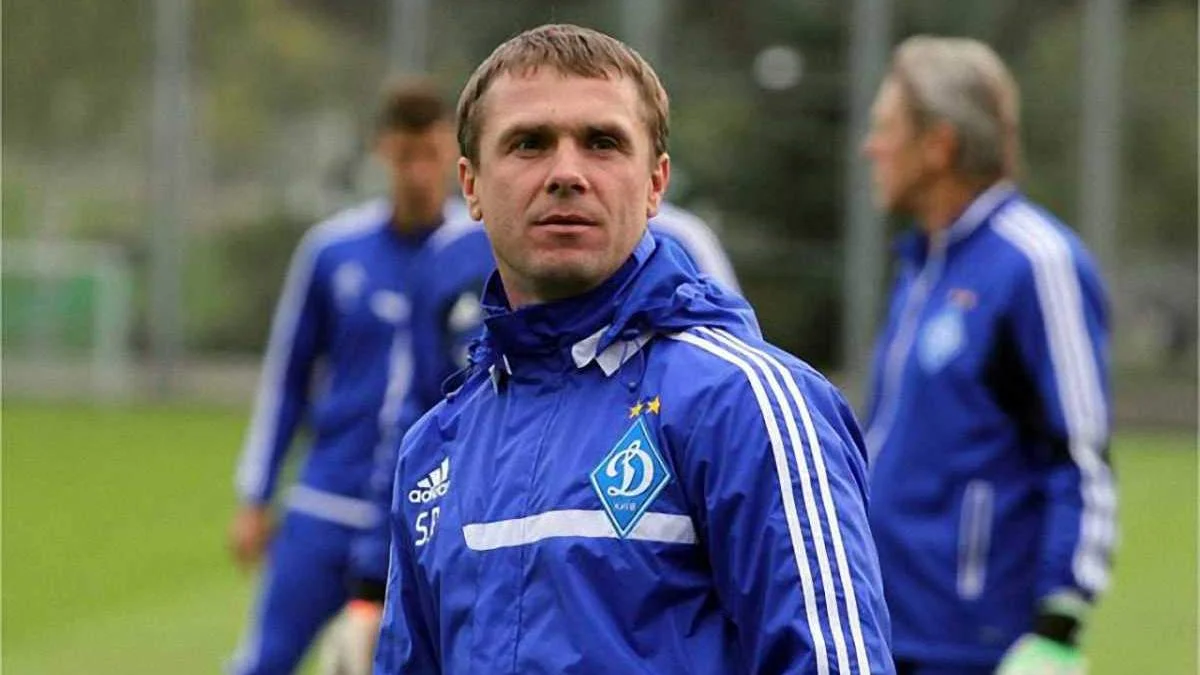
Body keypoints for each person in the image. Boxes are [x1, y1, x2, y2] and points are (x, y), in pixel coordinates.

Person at [375, 23, 893, 674]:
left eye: (603, 142)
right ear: (471, 185)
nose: (567, 173)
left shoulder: (747, 406)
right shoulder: (435, 448)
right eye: (529, 143)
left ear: (655, 184)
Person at [860, 36, 1116, 675]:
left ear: (939, 146)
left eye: (886, 129)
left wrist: (1059, 626)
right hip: (888, 628)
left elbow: (1081, 455)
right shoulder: (920, 265)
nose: (871, 148)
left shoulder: (1037, 262)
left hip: (981, 647)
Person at [228, 79, 483, 675]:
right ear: (382, 150)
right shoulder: (332, 250)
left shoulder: (476, 255)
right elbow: (287, 377)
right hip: (326, 502)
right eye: (405, 156)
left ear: (454, 154)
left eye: (430, 155)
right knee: (265, 660)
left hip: (424, 512)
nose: (417, 173)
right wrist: (255, 495)